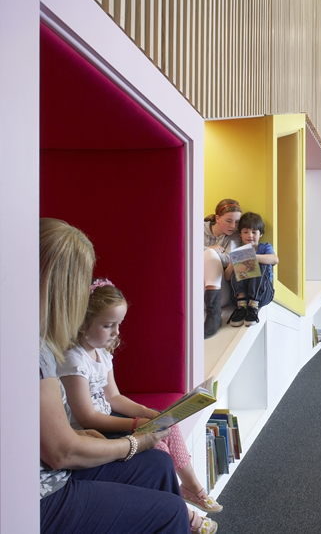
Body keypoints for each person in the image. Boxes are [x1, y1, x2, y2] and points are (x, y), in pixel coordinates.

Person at [38, 218, 198, 534]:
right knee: (168, 512)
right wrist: (134, 443)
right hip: (42, 494)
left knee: (159, 465)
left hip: (51, 471)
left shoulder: (42, 343)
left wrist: (85, 436)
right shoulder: (38, 350)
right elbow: (61, 452)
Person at [57, 279, 222, 529]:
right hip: (94, 431)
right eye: (107, 325)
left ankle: (192, 487)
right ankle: (184, 513)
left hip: (109, 420)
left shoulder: (101, 354)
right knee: (158, 449)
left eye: (118, 325)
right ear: (81, 323)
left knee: (168, 424)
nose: (116, 332)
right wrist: (136, 422)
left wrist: (148, 412)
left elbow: (114, 397)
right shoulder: (73, 361)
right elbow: (87, 417)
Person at [227, 212, 279, 327]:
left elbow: (275, 259)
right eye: (245, 232)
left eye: (254, 232)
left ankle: (253, 306)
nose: (250, 235)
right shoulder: (237, 250)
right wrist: (232, 264)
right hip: (242, 295)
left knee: (260, 262)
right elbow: (226, 276)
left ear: (260, 234)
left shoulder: (265, 247)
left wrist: (253, 257)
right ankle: (241, 306)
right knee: (240, 260)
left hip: (263, 294)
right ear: (240, 234)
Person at [204, 199, 243, 338]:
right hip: (196, 291)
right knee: (208, 252)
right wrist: (207, 248)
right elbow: (184, 251)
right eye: (229, 221)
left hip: (221, 293)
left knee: (209, 254)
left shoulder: (234, 237)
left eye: (237, 222)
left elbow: (230, 258)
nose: (233, 226)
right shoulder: (198, 228)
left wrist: (209, 253)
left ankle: (214, 316)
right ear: (217, 218)